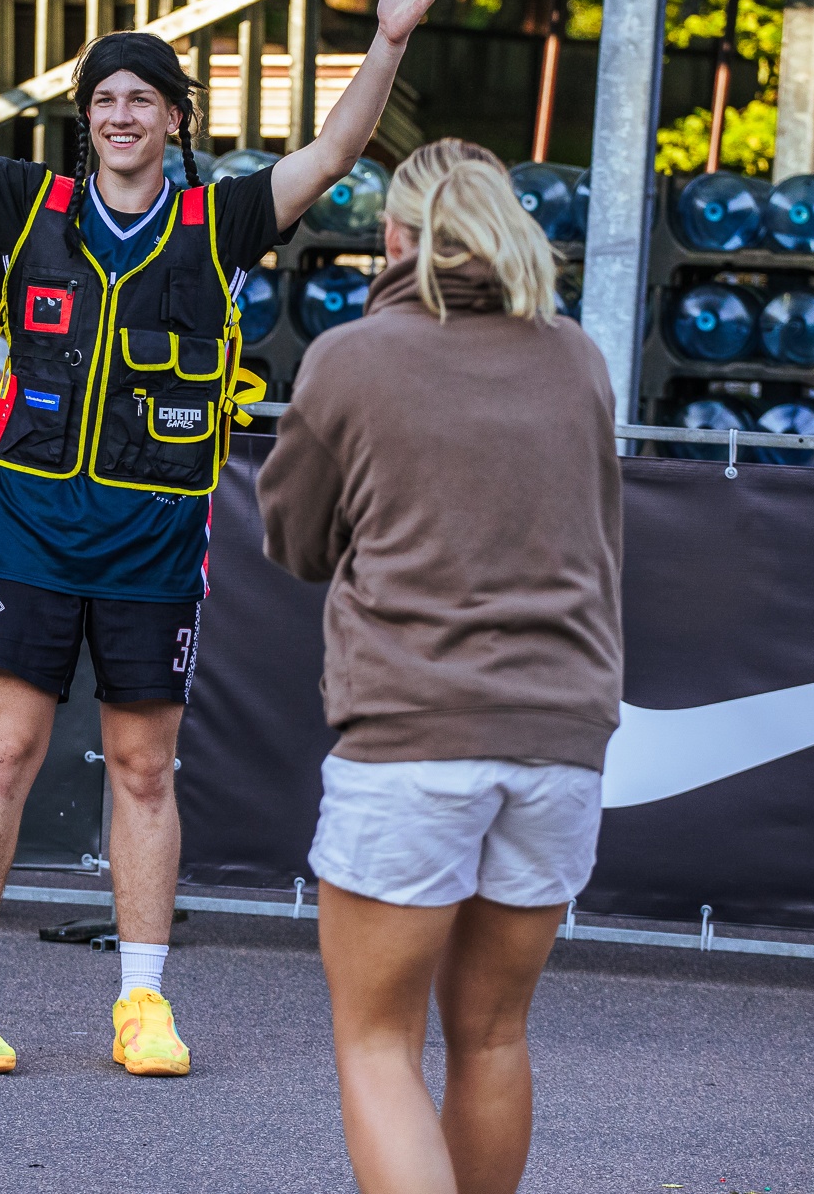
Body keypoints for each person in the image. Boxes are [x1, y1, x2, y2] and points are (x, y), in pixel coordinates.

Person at [0, 0, 470, 1078]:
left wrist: (386, 41)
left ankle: (142, 1003)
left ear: (176, 119)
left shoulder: (221, 221)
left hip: (155, 544)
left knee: (144, 770)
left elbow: (335, 153)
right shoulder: (25, 202)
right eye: (104, 99)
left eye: (142, 99)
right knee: (5, 754)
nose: (122, 115)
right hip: (34, 530)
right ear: (85, 118)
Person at [257, 141, 623, 1192]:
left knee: (377, 1043)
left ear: (395, 236)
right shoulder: (577, 358)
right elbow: (604, 539)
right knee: (494, 1035)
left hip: (414, 732)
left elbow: (294, 540)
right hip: (560, 739)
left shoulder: (353, 359)